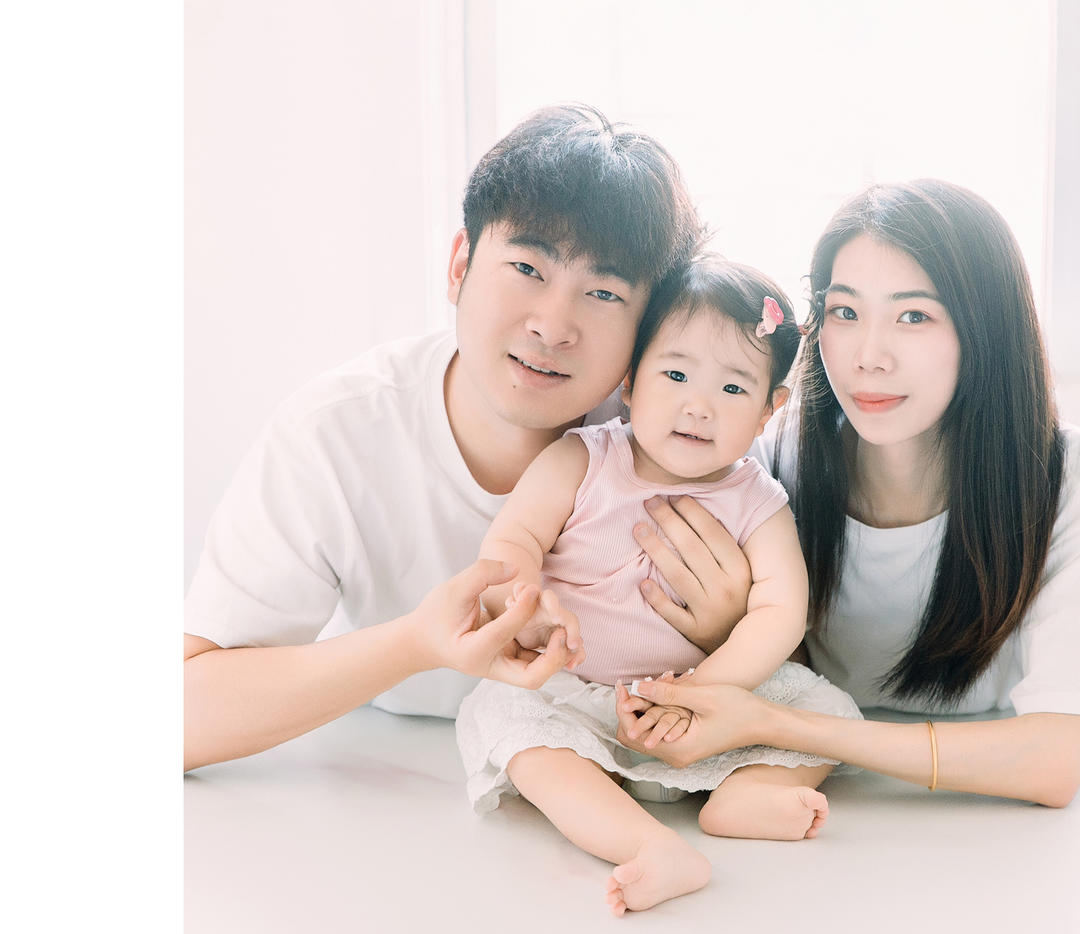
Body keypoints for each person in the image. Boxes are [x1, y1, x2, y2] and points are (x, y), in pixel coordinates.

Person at [182, 105, 753, 772]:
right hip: (382, 776)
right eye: (528, 269)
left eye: (603, 294)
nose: (553, 327)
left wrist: (727, 636)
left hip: (600, 783)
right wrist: (417, 644)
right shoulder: (334, 433)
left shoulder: (687, 439)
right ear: (460, 265)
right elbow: (181, 716)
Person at [614, 179, 1080, 810]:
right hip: (814, 798)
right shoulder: (771, 460)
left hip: (986, 815)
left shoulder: (1062, 475)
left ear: (985, 329)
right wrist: (736, 635)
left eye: (913, 316)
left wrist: (780, 724)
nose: (868, 357)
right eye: (845, 312)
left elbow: (1052, 763)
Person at [456, 259, 861, 917]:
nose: (699, 406)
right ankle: (647, 844)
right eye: (675, 376)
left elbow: (781, 611)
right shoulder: (582, 459)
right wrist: (526, 608)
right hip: (576, 692)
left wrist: (702, 693)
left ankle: (743, 798)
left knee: (827, 709)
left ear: (769, 410)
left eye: (733, 388)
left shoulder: (759, 501)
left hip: (711, 702)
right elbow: (512, 544)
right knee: (505, 716)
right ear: (628, 381)